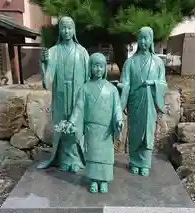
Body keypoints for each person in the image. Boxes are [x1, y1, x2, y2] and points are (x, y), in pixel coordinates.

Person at [58, 53, 123, 193]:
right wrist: (71, 122)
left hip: (106, 130)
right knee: (92, 155)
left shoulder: (112, 89)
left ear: (105, 68)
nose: (98, 69)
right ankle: (94, 180)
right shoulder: (85, 88)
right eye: (95, 66)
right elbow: (78, 109)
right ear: (90, 68)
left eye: (101, 66)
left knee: (105, 156)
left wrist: (118, 120)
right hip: (91, 128)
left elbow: (117, 107)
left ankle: (104, 180)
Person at [37, 16, 89, 172]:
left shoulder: (82, 52)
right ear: (59, 31)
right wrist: (44, 64)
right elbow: (48, 81)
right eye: (63, 28)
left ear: (74, 31)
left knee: (76, 127)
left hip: (77, 96)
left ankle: (77, 159)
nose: (66, 31)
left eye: (69, 28)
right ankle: (64, 159)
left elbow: (88, 79)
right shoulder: (53, 52)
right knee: (61, 126)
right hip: (60, 96)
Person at [118, 26, 167, 176]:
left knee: (148, 132)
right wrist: (121, 88)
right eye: (141, 38)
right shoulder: (130, 62)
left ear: (151, 40)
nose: (144, 41)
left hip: (150, 101)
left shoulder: (158, 62)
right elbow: (125, 82)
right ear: (137, 40)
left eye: (147, 38)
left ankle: (145, 163)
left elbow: (163, 83)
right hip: (135, 101)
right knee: (134, 132)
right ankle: (134, 161)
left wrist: (154, 84)